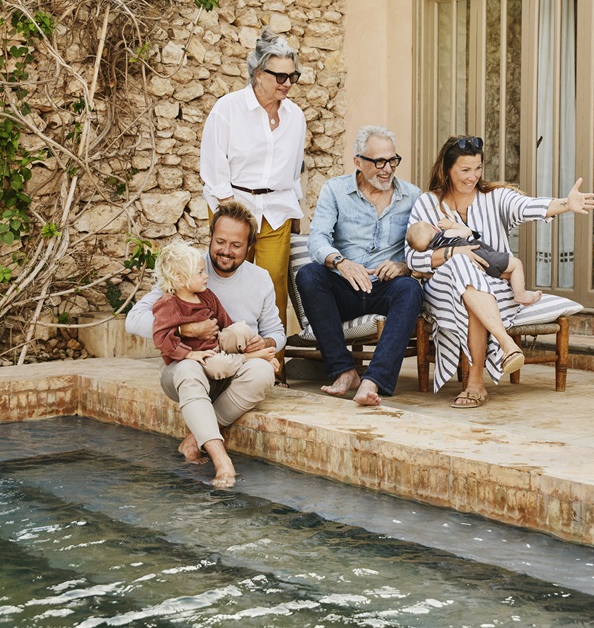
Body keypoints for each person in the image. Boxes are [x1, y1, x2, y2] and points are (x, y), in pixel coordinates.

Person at [406, 135, 594, 409]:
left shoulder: (495, 197)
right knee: (461, 266)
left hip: (494, 288)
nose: (473, 176)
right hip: (444, 291)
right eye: (465, 170)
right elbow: (412, 257)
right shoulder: (427, 203)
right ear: (447, 169)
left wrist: (566, 204)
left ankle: (476, 384)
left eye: (478, 168)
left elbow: (528, 206)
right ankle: (505, 344)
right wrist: (452, 253)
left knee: (473, 288)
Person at [126, 201, 286, 485]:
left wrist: (265, 340)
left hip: (232, 367)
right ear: (210, 237)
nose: (226, 251)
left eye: (236, 245)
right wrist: (187, 329)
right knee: (188, 370)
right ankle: (220, 458)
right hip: (189, 368)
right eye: (220, 241)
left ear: (249, 246)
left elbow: (276, 330)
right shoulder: (187, 268)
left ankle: (193, 439)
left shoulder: (260, 279)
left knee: (262, 374)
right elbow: (134, 319)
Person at [296, 125, 424, 407]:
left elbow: (424, 246)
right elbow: (317, 239)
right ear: (358, 161)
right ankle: (344, 371)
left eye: (392, 160)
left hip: (385, 289)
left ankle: (373, 380)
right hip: (345, 288)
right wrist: (340, 262)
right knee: (308, 275)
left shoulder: (413, 196)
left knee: (411, 289)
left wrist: (403, 267)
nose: (387, 169)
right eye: (379, 161)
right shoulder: (335, 190)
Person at [199, 28, 306, 330]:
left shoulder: (296, 116)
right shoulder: (228, 108)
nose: (288, 84)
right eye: (280, 77)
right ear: (259, 74)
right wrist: (226, 208)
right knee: (229, 281)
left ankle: (275, 364)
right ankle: (224, 350)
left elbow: (295, 166)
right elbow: (212, 161)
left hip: (276, 207)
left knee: (274, 284)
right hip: (234, 202)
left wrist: (297, 210)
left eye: (293, 77)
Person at [150, 241, 278, 381]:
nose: (206, 276)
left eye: (204, 271)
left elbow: (226, 323)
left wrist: (238, 338)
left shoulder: (206, 295)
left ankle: (259, 354)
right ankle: (249, 358)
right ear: (180, 280)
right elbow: (161, 338)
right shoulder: (168, 304)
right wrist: (190, 354)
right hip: (202, 358)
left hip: (218, 345)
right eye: (200, 273)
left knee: (240, 328)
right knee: (219, 365)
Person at [406, 218, 541, 305]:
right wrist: (451, 225)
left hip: (474, 270)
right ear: (434, 228)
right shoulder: (445, 235)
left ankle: (520, 294)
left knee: (507, 274)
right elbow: (467, 231)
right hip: (477, 255)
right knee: (516, 264)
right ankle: (521, 295)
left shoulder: (436, 250)